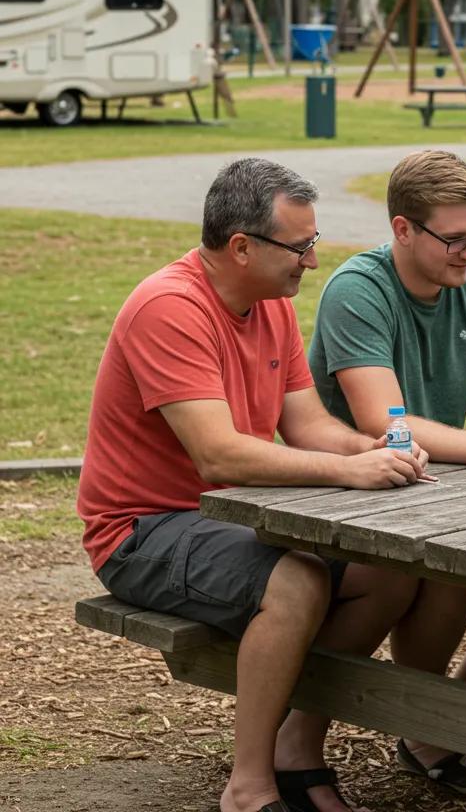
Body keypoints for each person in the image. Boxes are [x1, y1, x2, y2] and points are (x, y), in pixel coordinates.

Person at [77, 158, 436, 812]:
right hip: (142, 530)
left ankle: (297, 748)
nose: (312, 262)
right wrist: (350, 471)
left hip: (232, 517)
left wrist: (373, 450)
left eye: (313, 244)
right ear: (241, 247)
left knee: (388, 571)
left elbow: (307, 426)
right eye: (300, 248)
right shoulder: (170, 307)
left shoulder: (270, 304)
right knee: (296, 581)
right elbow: (218, 457)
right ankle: (248, 788)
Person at [308, 149, 466, 796]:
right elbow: (383, 423)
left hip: (427, 489)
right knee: (450, 567)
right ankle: (432, 728)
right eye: (455, 238)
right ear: (402, 230)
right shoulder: (357, 292)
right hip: (351, 495)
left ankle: (443, 720)